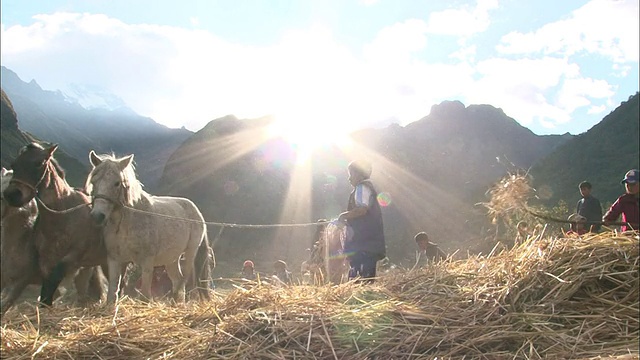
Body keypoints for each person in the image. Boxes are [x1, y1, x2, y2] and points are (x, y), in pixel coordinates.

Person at [338, 160, 386, 282]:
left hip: (363, 243)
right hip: (369, 243)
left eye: (351, 174)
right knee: (365, 278)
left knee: (359, 279)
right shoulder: (368, 188)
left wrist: (343, 216)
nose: (349, 179)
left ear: (360, 174)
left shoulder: (361, 188)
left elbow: (362, 210)